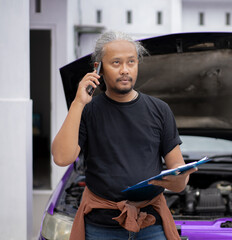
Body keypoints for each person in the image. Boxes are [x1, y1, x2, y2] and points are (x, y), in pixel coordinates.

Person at [51, 31, 196, 240]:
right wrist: (78, 103)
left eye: (131, 62)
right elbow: (61, 158)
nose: (125, 70)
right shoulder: (87, 111)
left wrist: (180, 178)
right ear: (98, 68)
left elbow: (178, 174)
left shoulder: (160, 110)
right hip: (102, 226)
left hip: (151, 223)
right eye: (116, 63)